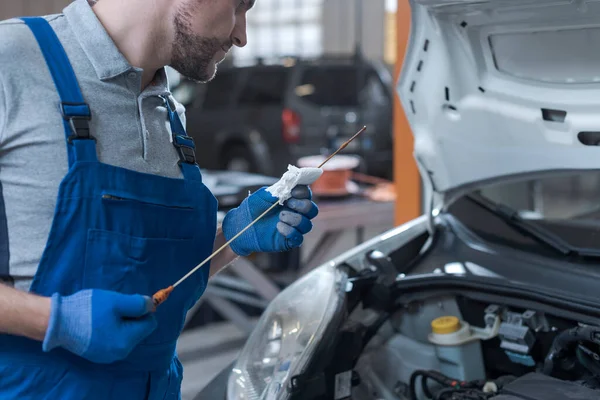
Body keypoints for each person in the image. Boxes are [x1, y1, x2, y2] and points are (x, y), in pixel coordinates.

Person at [0, 0, 319, 398]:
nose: (242, 35)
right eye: (239, 6)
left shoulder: (169, 113)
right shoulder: (10, 62)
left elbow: (158, 278)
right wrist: (53, 320)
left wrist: (234, 237)